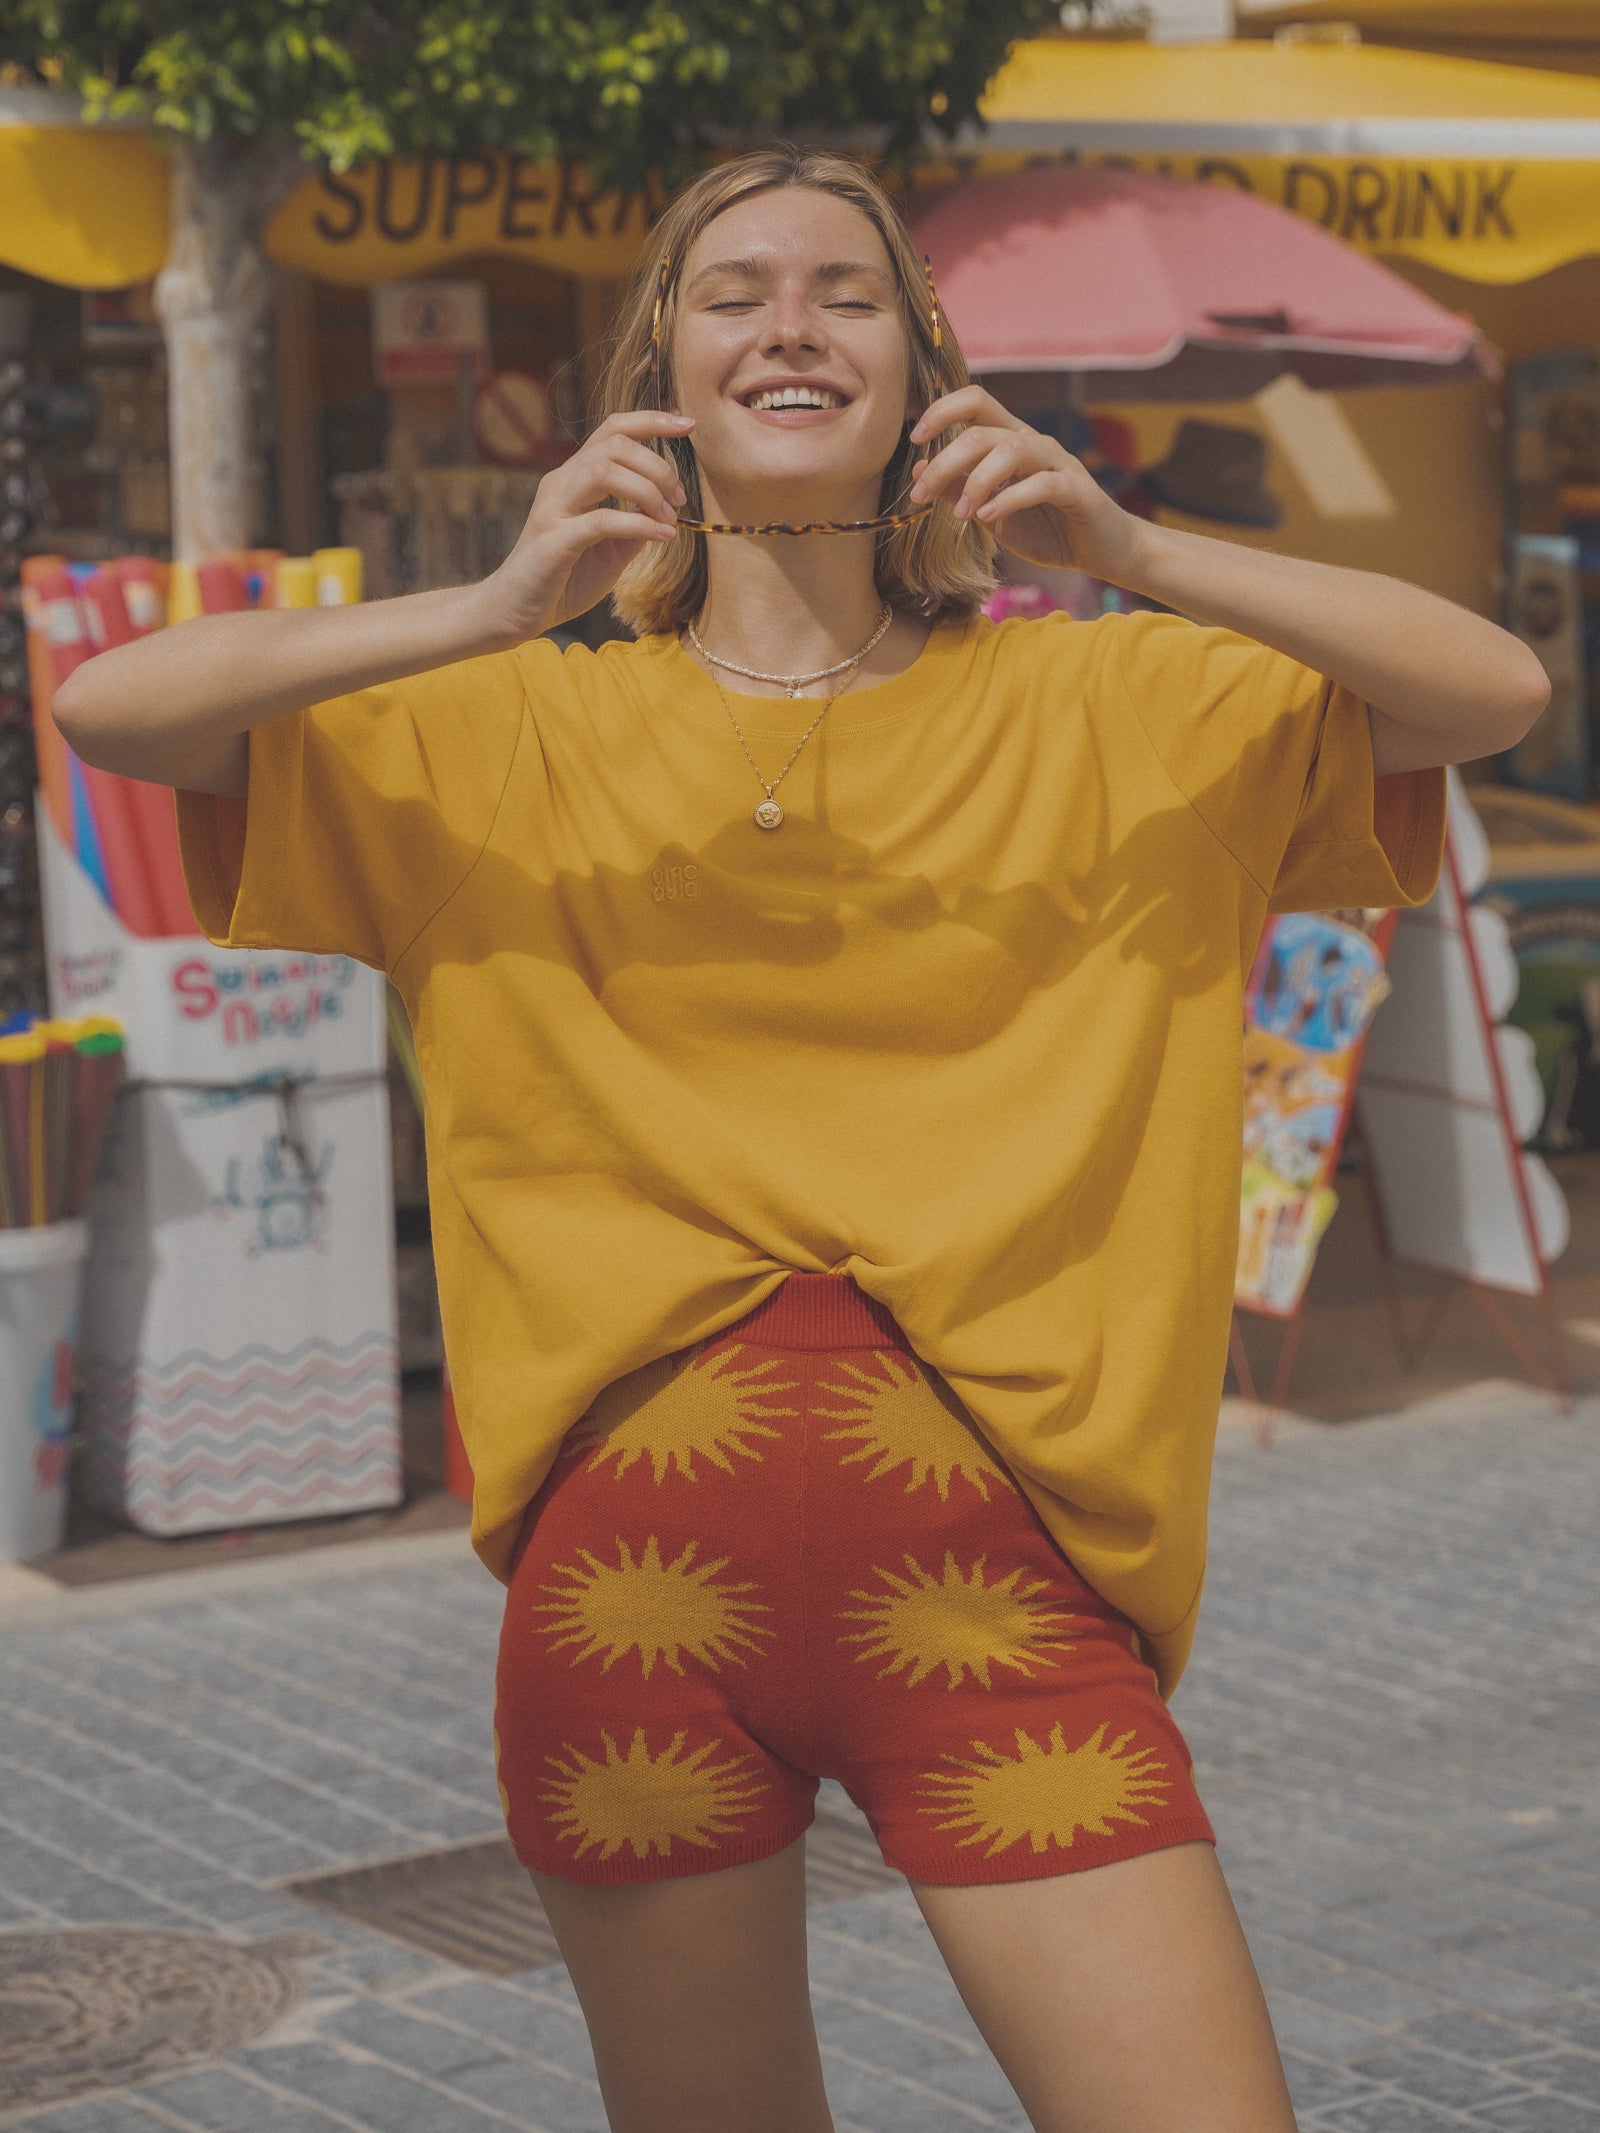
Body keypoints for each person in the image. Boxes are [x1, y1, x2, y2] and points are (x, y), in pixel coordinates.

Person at [57, 146, 1547, 2133]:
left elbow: (1490, 687)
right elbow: (116, 709)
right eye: (734, 285)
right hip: (629, 1621)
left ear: (921, 371)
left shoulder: (1112, 697)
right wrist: (499, 599)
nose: (787, 321)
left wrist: (1135, 546)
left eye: (843, 291)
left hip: (1008, 1600)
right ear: (660, 357)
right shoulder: (508, 727)